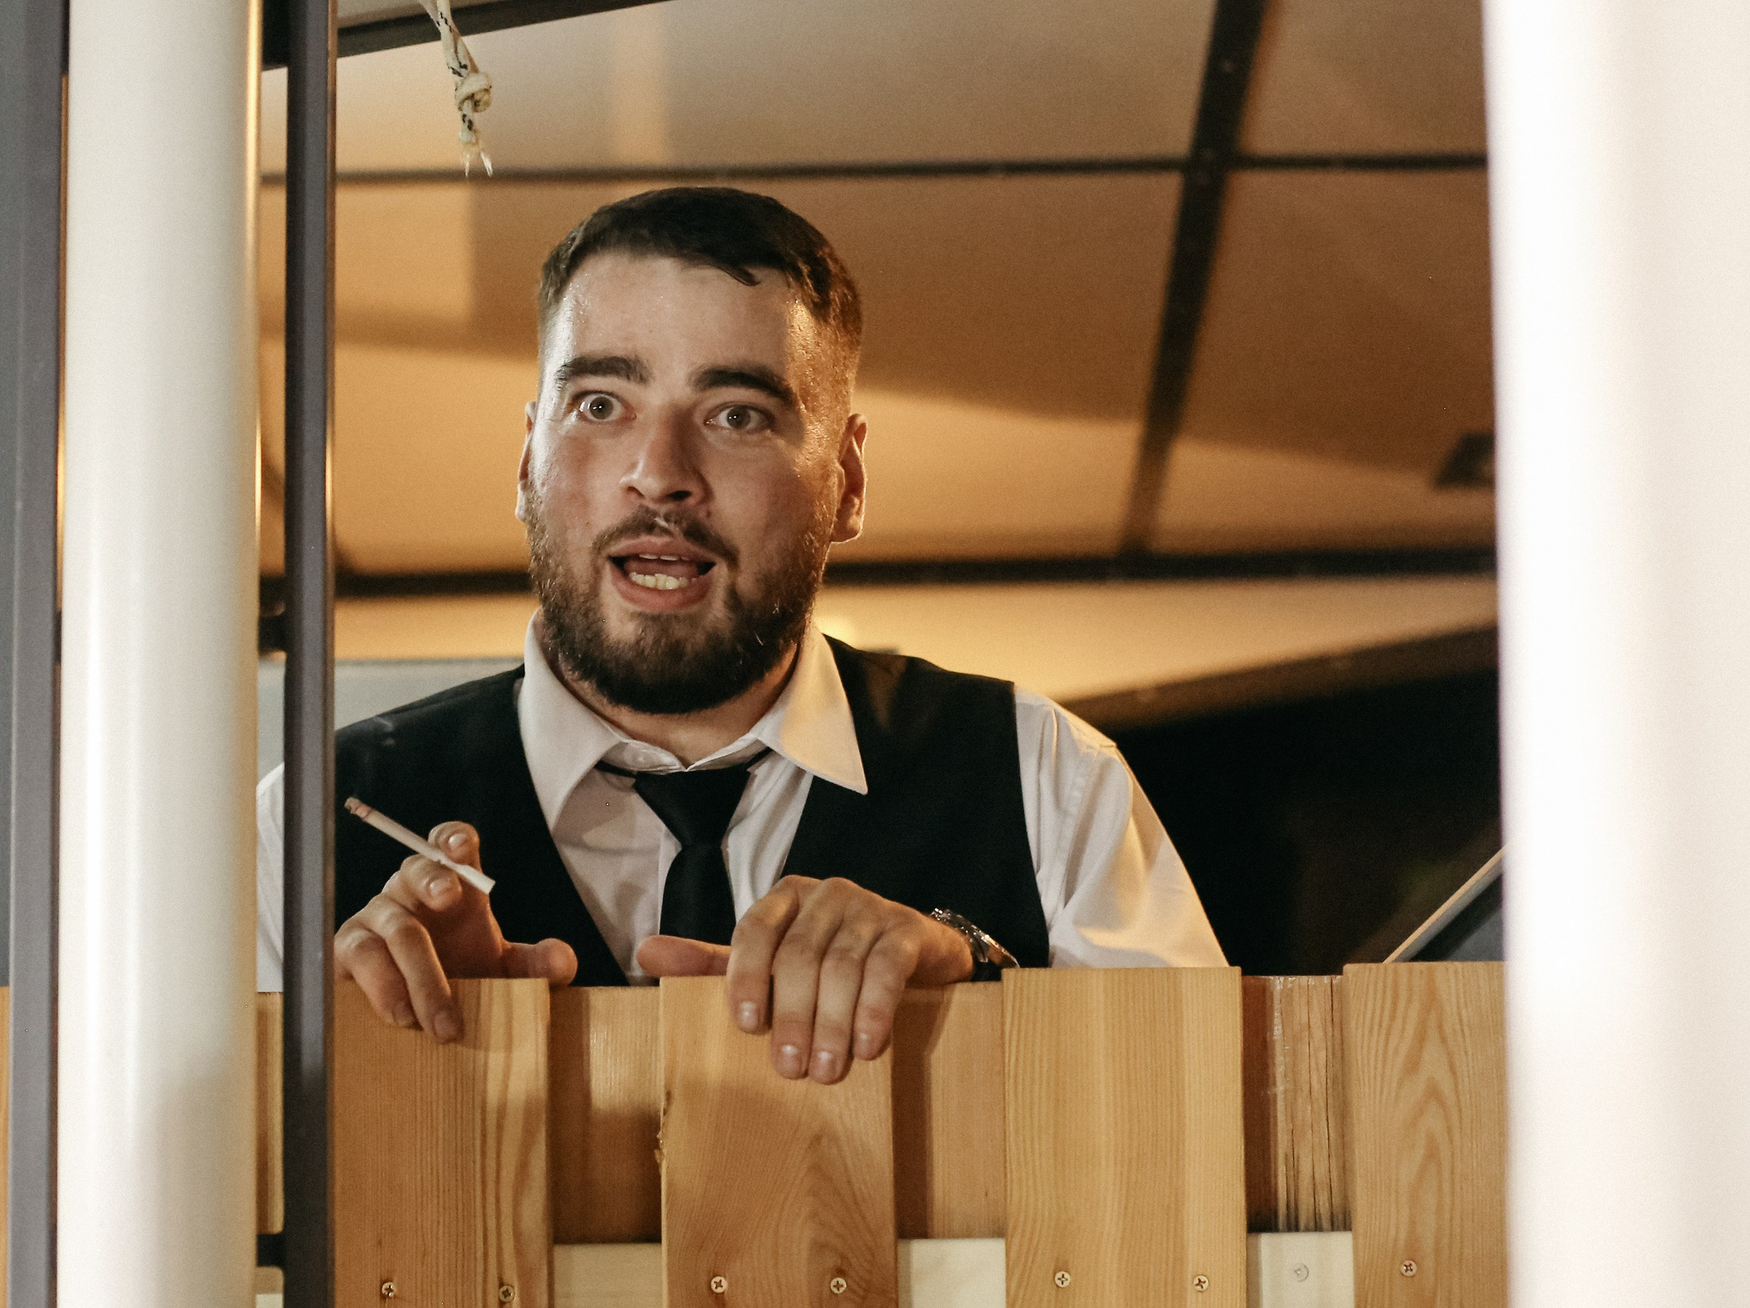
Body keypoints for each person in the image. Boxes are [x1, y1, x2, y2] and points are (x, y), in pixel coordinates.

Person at [254, 187, 1221, 1082]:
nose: (660, 473)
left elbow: (1190, 1162)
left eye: (737, 414)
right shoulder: (301, 831)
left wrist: (979, 1000)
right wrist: (385, 1070)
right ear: (526, 460)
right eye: (600, 404)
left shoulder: (1046, 779)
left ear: (846, 480)